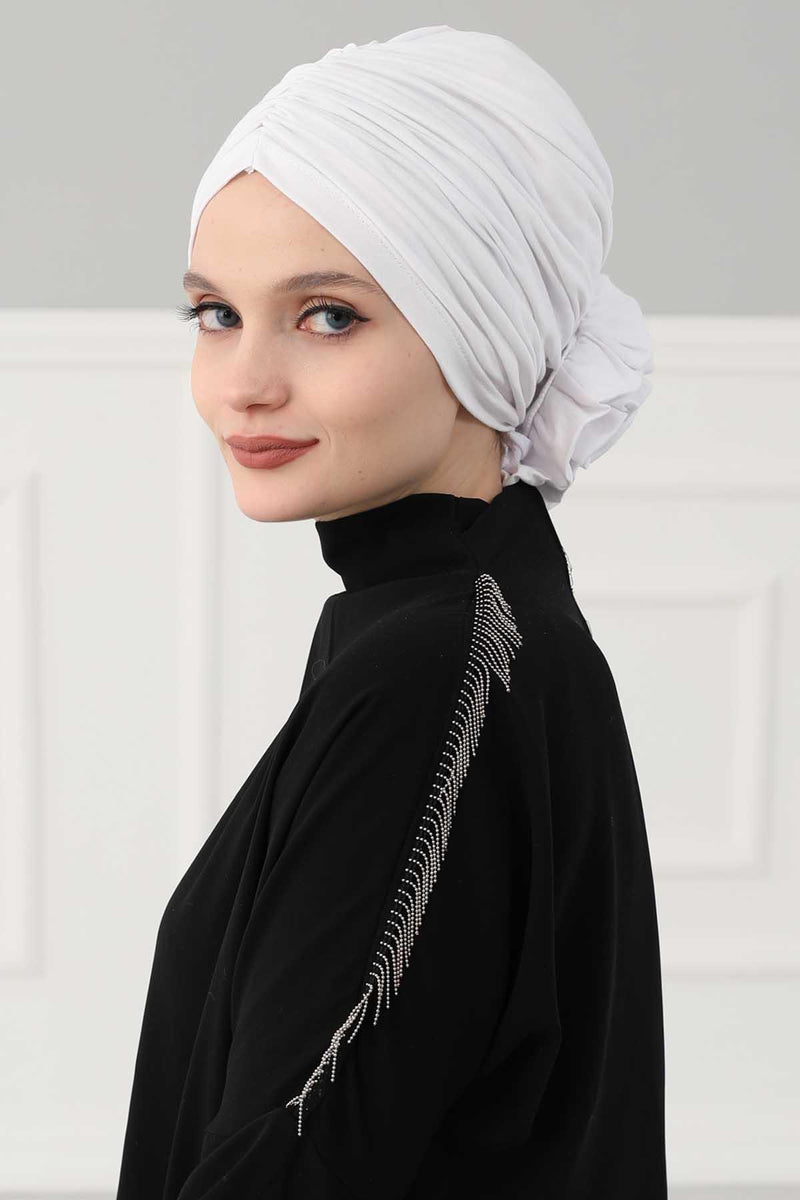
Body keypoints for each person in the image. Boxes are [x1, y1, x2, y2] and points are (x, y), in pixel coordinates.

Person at [116, 25, 667, 1199]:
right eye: (215, 313)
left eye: (327, 315)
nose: (243, 383)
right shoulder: (476, 618)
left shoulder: (434, 670)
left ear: (482, 331)